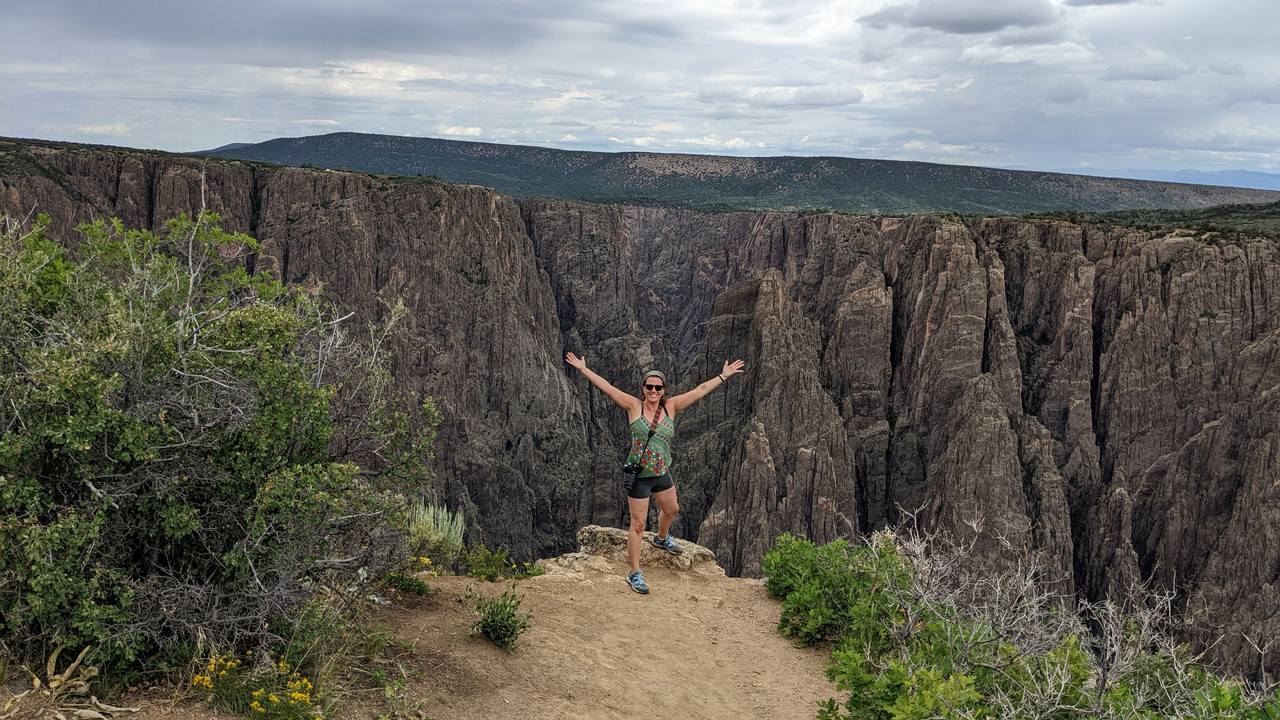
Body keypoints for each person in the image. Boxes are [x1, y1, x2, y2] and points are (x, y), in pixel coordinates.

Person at [565, 352, 746, 594]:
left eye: (657, 387)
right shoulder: (633, 406)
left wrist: (722, 376)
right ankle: (634, 573)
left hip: (661, 472)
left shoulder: (671, 407)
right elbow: (608, 388)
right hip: (639, 476)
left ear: (663, 390)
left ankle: (661, 538)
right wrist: (583, 369)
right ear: (643, 388)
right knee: (638, 525)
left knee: (672, 509)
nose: (653, 390)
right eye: (649, 386)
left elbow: (699, 391)